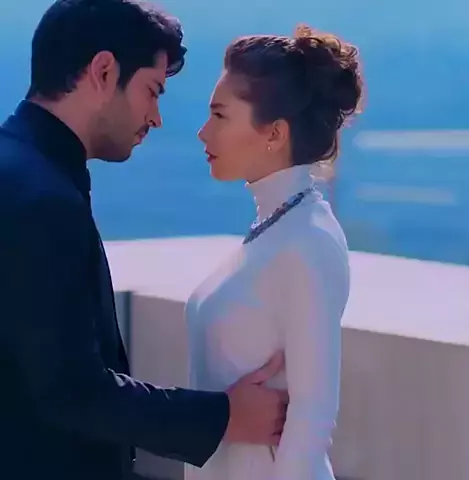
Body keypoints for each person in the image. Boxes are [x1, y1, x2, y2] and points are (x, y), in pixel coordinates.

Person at [0, 1, 288, 480]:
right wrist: (224, 417)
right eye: (152, 91)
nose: (156, 118)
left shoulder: (22, 171)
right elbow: (69, 390)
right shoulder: (42, 200)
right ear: (103, 72)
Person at [186, 24, 363, 479]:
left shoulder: (309, 240)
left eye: (220, 116)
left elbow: (312, 421)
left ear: (275, 133)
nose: (203, 133)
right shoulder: (274, 228)